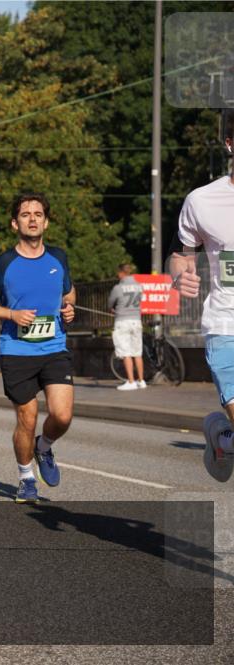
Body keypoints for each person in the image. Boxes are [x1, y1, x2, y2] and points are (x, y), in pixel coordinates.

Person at [0, 193, 76, 504]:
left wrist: (69, 308)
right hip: (17, 350)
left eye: (38, 214)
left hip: (54, 347)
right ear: (14, 223)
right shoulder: (5, 263)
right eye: (25, 214)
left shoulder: (58, 257)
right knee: (27, 418)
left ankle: (43, 447)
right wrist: (11, 314)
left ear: (45, 221)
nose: (32, 219)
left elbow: (69, 293)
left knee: (63, 415)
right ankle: (26, 477)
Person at [170, 108, 234, 482]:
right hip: (227, 324)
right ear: (230, 143)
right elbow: (182, 256)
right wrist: (181, 276)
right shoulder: (201, 201)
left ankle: (223, 437)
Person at [108, 263, 146, 391]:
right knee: (137, 353)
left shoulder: (118, 288)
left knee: (126, 353)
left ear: (121, 273)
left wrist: (113, 309)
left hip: (122, 322)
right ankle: (141, 380)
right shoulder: (139, 287)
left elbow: (110, 303)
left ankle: (131, 381)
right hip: (136, 320)